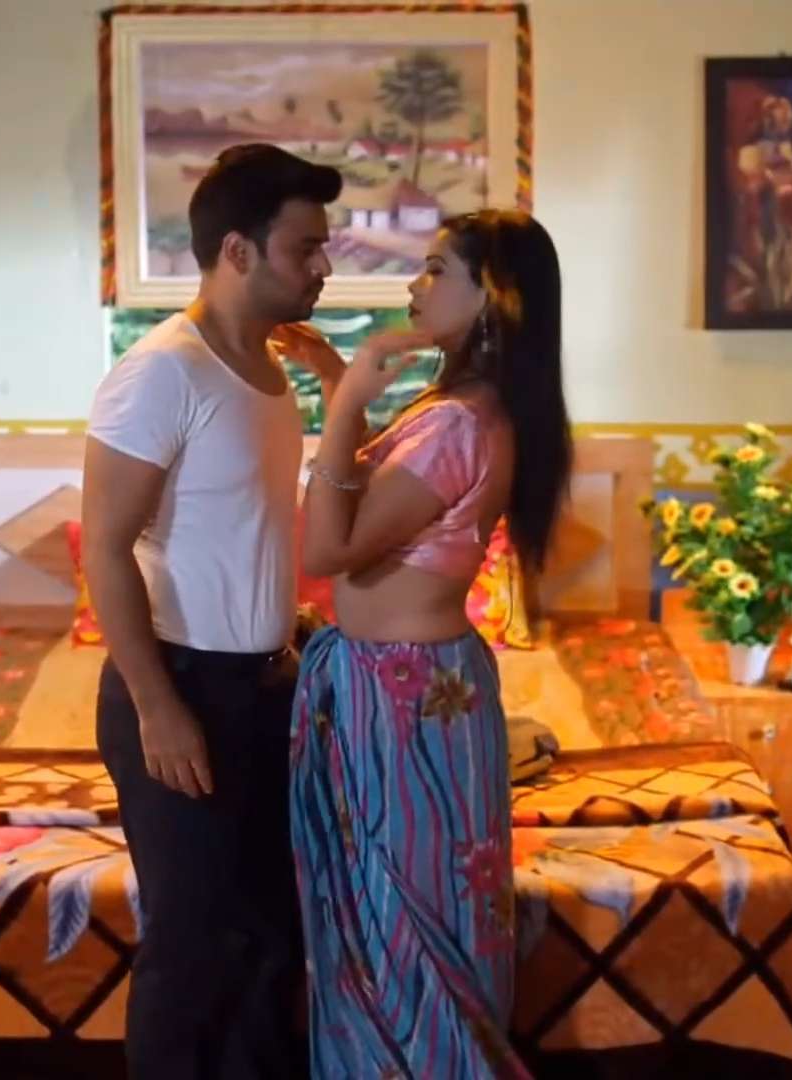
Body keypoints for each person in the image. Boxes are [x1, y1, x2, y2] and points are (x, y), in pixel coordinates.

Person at [284, 209, 572, 1077]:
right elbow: (375, 487)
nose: (415, 284)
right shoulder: (462, 411)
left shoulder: (457, 424)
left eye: (438, 269)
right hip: (408, 690)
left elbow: (326, 549)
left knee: (399, 935)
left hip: (403, 699)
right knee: (400, 922)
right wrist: (336, 377)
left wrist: (342, 404)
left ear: (494, 297)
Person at [81, 142, 347, 1080]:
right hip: (180, 682)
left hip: (267, 688)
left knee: (271, 938)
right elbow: (105, 546)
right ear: (238, 251)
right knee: (193, 949)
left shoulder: (272, 373)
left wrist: (338, 384)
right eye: (306, 247)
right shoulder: (164, 371)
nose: (324, 266)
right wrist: (157, 706)